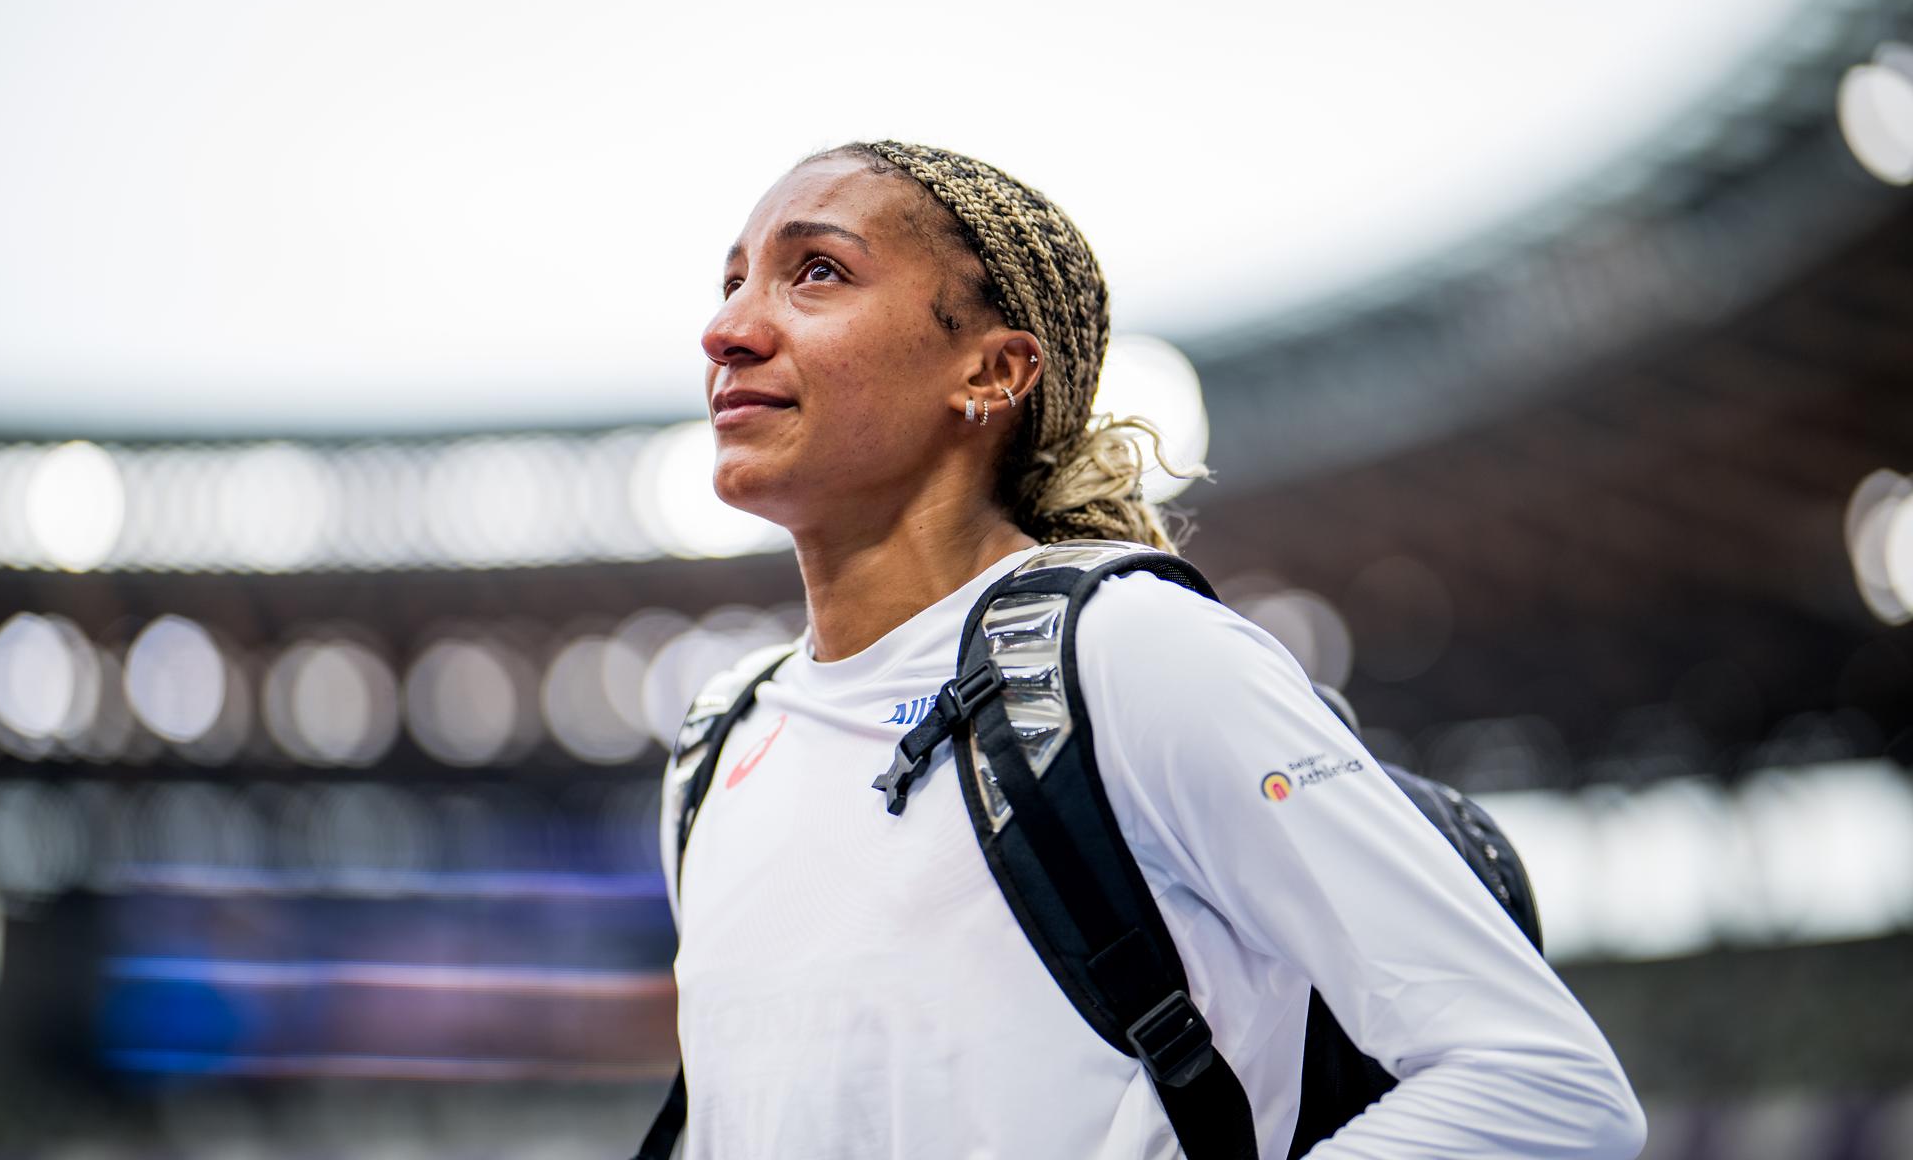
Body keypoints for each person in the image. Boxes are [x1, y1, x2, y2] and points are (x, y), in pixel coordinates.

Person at [661, 140, 1647, 1159]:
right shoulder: (719, 743)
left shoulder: (1128, 654)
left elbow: (1544, 1082)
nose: (727, 328)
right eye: (733, 281)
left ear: (992, 371)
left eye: (817, 271)